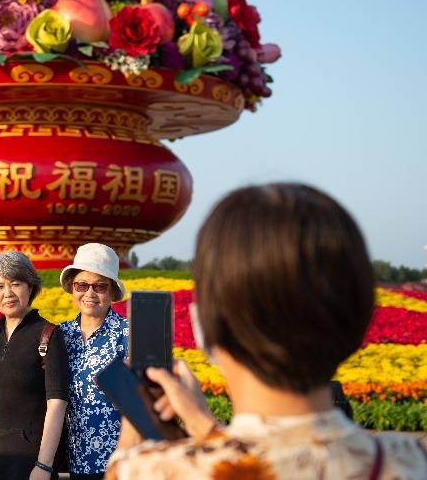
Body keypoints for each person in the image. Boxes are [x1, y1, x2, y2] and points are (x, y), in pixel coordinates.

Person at [106, 183, 427, 479]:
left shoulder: (149, 470)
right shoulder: (411, 461)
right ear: (358, 322)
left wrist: (137, 421)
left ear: (205, 326)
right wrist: (204, 426)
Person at [0, 251, 69, 480]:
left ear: (30, 287)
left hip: (31, 463)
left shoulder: (47, 334)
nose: (7, 293)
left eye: (16, 284)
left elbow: (57, 403)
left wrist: (44, 465)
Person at [58, 243, 129, 480]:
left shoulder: (127, 334)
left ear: (111, 292)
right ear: (72, 288)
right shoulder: (61, 334)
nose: (90, 293)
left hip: (119, 461)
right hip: (75, 459)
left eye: (100, 286)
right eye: (81, 285)